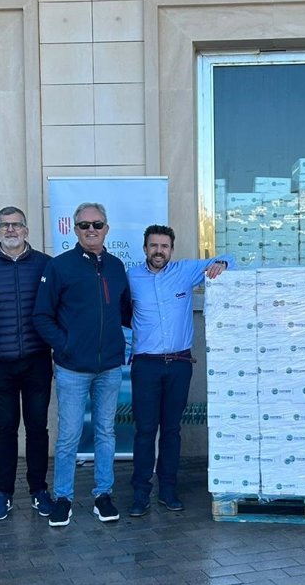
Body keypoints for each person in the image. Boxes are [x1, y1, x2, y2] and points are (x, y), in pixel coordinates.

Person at [33, 202, 131, 527]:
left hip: (109, 367)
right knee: (69, 435)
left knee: (105, 432)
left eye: (97, 224)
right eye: (84, 225)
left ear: (106, 228)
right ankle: (63, 498)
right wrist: (66, 345)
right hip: (72, 368)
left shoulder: (116, 267)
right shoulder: (59, 266)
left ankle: (103, 495)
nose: (91, 230)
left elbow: (125, 312)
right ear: (75, 229)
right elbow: (42, 316)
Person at [126, 225, 233, 517]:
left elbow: (230, 259)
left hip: (179, 364)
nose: (159, 251)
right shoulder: (131, 277)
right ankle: (140, 493)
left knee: (172, 430)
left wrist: (222, 265)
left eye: (164, 246)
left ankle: (168, 490)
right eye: (154, 245)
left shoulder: (185, 271)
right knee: (145, 430)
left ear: (171, 249)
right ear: (145, 248)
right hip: (145, 365)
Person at [0, 206, 54, 522]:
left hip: (37, 361)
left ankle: (39, 490)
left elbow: (58, 311)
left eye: (17, 225)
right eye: (4, 225)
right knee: (5, 429)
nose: (11, 230)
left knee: (37, 428)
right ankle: (3, 493)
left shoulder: (45, 265)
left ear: (27, 231)